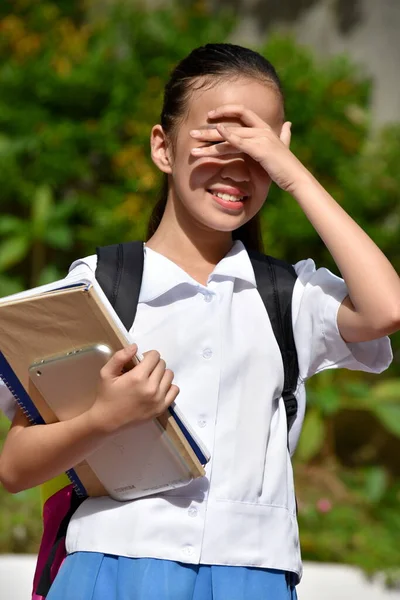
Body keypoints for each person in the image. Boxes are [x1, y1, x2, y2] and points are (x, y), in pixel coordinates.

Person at [0, 42, 399, 600]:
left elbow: (387, 309)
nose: (238, 165)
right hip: (111, 569)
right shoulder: (101, 283)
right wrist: (106, 418)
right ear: (163, 148)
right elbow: (14, 467)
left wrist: (294, 175)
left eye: (256, 148)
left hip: (251, 576)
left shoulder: (290, 294)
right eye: (216, 139)